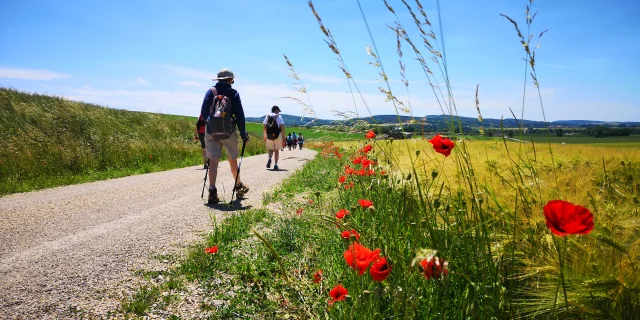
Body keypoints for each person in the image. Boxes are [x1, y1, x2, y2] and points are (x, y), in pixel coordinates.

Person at [200, 68, 250, 205]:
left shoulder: (211, 92)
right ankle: (238, 185)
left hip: (211, 131)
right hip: (229, 131)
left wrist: (211, 122)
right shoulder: (233, 93)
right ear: (230, 80)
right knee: (232, 160)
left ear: (218, 80)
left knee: (213, 161)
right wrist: (243, 133)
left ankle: (212, 191)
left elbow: (203, 113)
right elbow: (240, 115)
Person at [263, 105, 286, 170]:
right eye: (278, 110)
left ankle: (269, 159)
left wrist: (264, 135)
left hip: (269, 135)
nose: (279, 112)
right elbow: (282, 127)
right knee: (276, 150)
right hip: (277, 135)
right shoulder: (279, 117)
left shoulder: (268, 116)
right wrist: (284, 137)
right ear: (276, 110)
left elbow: (264, 126)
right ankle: (275, 165)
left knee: (270, 149)